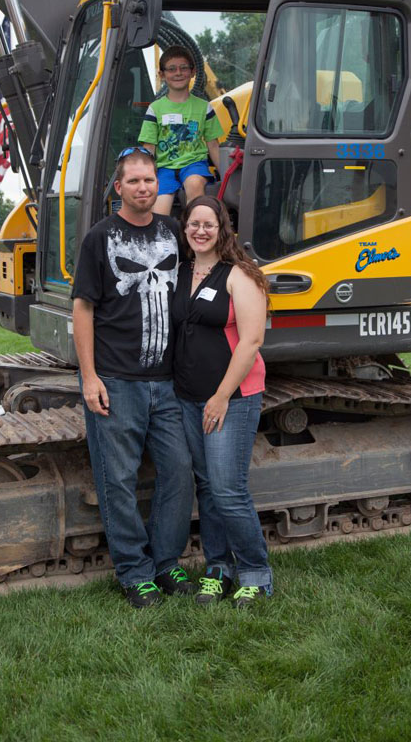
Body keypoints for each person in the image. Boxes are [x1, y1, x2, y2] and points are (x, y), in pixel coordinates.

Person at [72, 146, 195, 608]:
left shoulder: (172, 232)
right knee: (118, 478)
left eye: (150, 180)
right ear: (119, 187)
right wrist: (89, 377)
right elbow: (83, 308)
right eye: (135, 181)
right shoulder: (99, 238)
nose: (143, 187)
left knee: (179, 471)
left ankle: (165, 563)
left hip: (167, 381)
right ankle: (134, 572)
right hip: (116, 379)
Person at [172, 194, 273, 608]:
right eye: (194, 224)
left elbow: (251, 341)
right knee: (208, 489)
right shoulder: (181, 272)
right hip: (188, 397)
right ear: (185, 228)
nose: (201, 231)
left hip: (232, 398)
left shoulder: (239, 275)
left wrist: (220, 396)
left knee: (228, 490)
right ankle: (218, 569)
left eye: (208, 224)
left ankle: (255, 573)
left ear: (221, 229)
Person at [139, 45, 222, 215]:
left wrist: (227, 176)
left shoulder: (204, 107)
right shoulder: (155, 109)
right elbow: (149, 149)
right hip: (164, 169)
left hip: (194, 165)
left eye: (183, 68)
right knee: (159, 210)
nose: (178, 73)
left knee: (194, 184)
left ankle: (195, 226)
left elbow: (213, 146)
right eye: (172, 69)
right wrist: (146, 178)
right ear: (162, 75)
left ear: (193, 72)